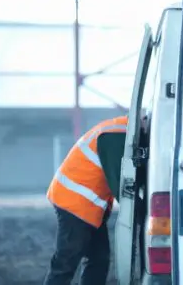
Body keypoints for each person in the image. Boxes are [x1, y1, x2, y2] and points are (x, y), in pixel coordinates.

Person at [43, 115, 128, 285]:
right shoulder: (118, 135)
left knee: (98, 259)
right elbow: (119, 181)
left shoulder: (118, 130)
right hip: (75, 204)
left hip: (88, 206)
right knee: (66, 262)